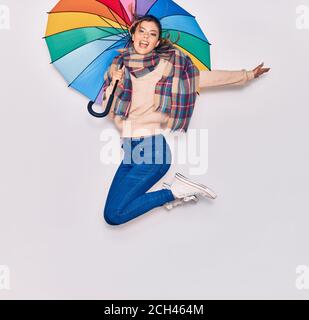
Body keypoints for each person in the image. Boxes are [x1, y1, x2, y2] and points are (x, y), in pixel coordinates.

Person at [101, 15, 270, 226]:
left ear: (157, 41)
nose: (146, 37)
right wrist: (114, 82)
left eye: (152, 34)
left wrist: (246, 75)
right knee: (112, 214)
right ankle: (175, 191)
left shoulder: (164, 66)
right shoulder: (118, 67)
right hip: (129, 150)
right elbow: (109, 112)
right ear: (133, 33)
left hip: (152, 150)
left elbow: (202, 79)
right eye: (142, 31)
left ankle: (173, 192)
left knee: (115, 215)